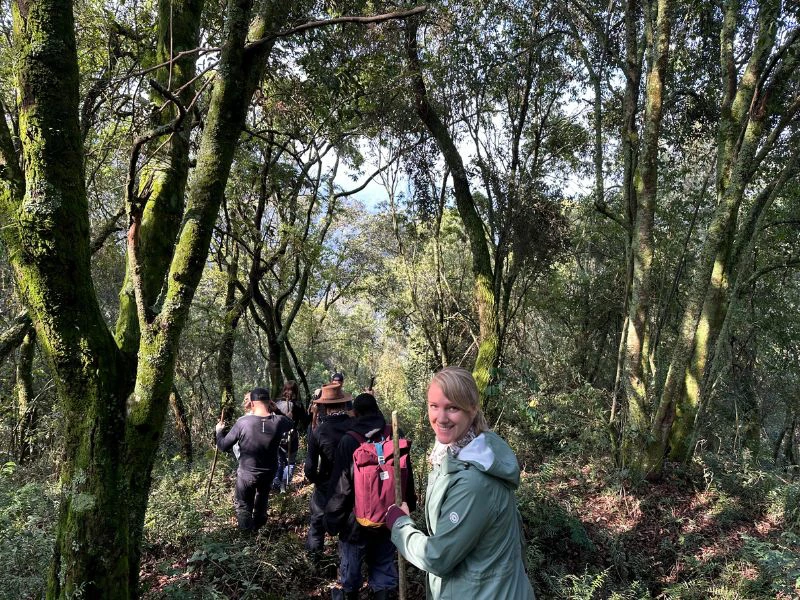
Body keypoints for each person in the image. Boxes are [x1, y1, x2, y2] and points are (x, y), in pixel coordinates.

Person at [385, 367, 535, 599]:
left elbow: (438, 557)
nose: (441, 418)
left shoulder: (474, 481)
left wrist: (400, 526)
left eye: (452, 407)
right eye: (434, 406)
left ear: (472, 409)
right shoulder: (461, 453)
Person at [325, 393, 416, 600]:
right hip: (389, 518)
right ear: (377, 410)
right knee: (384, 568)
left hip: (355, 523)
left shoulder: (349, 441)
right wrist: (408, 507)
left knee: (351, 574)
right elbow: (405, 475)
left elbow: (341, 487)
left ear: (355, 413)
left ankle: (351, 594)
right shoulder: (395, 434)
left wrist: (332, 521)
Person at [215, 387, 293, 531]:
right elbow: (290, 422)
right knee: (262, 500)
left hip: (247, 474)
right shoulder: (278, 421)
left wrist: (219, 431)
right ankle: (258, 531)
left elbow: (223, 446)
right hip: (268, 473)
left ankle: (247, 538)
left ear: (251, 404)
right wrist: (276, 410)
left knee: (244, 506)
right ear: (270, 402)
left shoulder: (243, 423)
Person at [304, 382, 354, 557]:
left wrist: (318, 480)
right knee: (349, 524)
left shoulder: (319, 431)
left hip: (326, 484)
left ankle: (313, 561)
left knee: (317, 523)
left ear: (324, 406)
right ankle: (347, 567)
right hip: (353, 485)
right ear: (343, 402)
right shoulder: (355, 426)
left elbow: (309, 468)